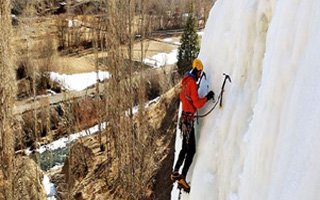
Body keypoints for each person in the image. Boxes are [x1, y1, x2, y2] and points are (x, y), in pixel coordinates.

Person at [171, 58, 214, 192]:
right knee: (191, 150)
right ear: (197, 70)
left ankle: (175, 171)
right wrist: (208, 97)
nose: (200, 74)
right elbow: (197, 103)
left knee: (184, 148)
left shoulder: (186, 81)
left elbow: (185, 99)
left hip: (184, 118)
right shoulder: (191, 84)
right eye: (200, 72)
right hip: (188, 121)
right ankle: (182, 178)